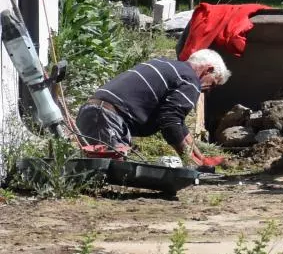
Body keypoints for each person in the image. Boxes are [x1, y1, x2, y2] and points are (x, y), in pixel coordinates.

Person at [75, 49, 229, 167]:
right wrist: (189, 162)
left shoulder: (167, 66)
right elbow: (170, 122)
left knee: (99, 171)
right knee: (112, 172)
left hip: (94, 113)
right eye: (213, 83)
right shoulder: (190, 79)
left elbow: (178, 123)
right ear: (208, 70)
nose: (208, 90)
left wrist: (200, 158)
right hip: (107, 118)